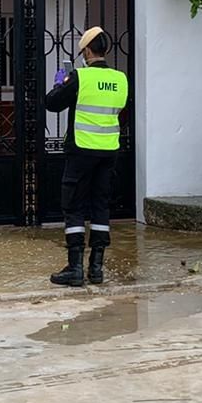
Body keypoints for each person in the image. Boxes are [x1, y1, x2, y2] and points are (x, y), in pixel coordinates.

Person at [43, 26, 129, 287]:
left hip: (81, 150)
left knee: (74, 206)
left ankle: (75, 267)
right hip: (108, 151)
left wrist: (60, 84)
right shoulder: (120, 79)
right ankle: (97, 268)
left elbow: (52, 103)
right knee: (100, 206)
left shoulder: (80, 77)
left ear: (87, 51)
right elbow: (122, 113)